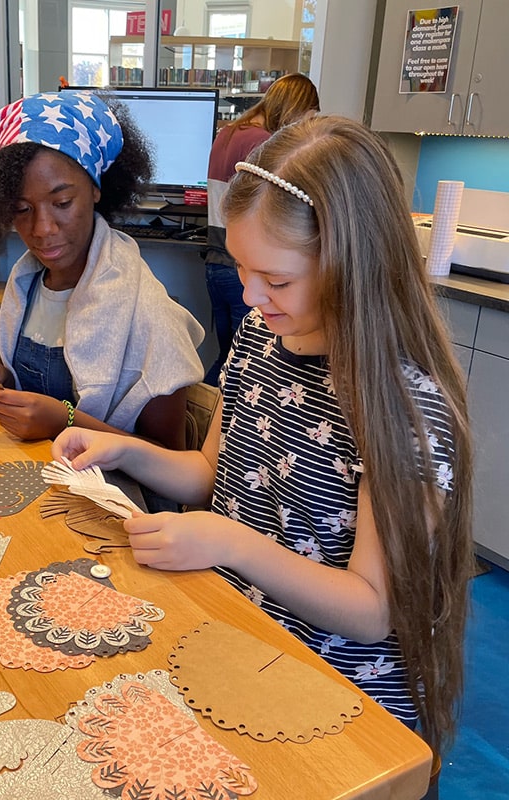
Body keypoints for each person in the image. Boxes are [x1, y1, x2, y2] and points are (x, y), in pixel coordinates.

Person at [53, 115, 473, 764]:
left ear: (352, 269)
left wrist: (230, 543)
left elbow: (371, 610)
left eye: (276, 280)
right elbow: (211, 472)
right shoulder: (261, 336)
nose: (251, 297)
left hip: (342, 708)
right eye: (241, 268)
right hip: (244, 649)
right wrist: (125, 450)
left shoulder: (404, 406)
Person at [0, 91, 204, 448]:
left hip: (105, 484)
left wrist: (65, 421)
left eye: (62, 202)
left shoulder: (151, 316)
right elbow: (35, 391)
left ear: (96, 188)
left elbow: (171, 459)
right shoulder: (27, 283)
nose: (43, 229)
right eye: (22, 209)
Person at [204, 73, 319, 385]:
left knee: (227, 357)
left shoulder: (227, 134)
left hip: (216, 258)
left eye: (279, 282)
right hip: (232, 261)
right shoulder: (264, 145)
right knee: (237, 365)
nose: (251, 297)